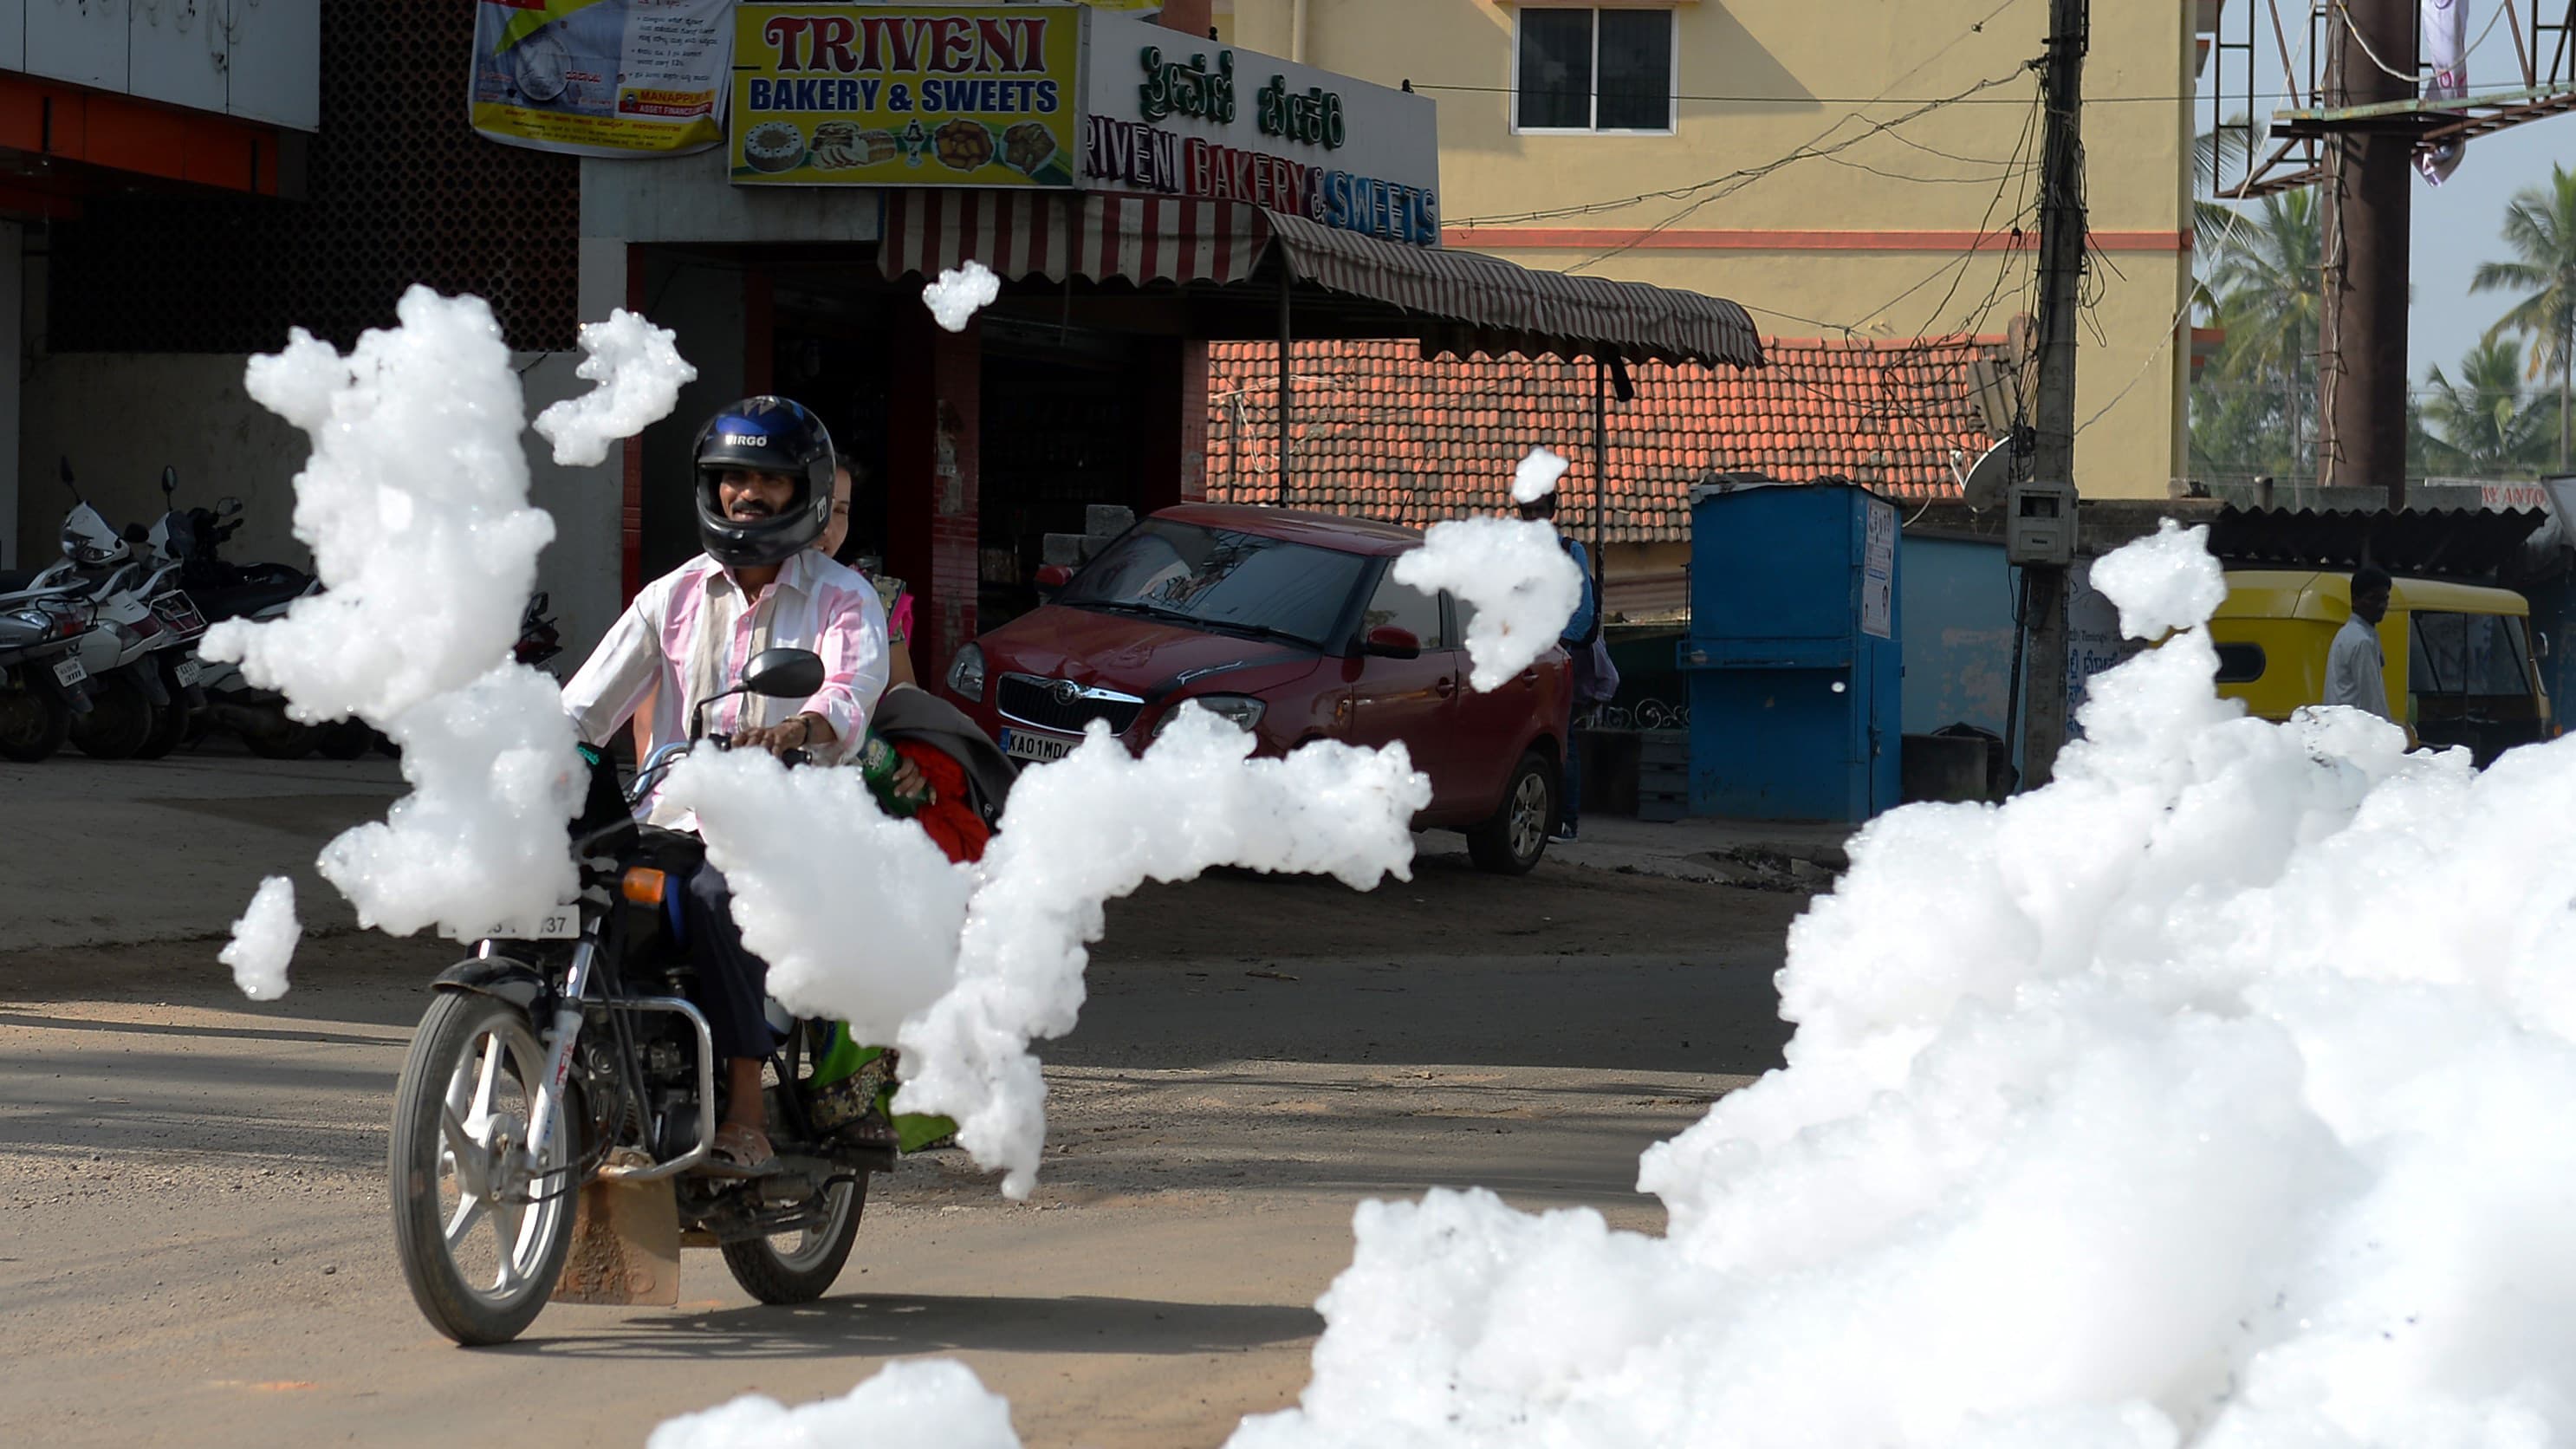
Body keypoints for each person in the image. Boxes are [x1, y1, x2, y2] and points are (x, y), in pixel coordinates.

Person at [560, 396, 891, 1175]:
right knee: (578, 887)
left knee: (721, 899)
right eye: (733, 476)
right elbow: (583, 707)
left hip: (793, 822)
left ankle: (745, 1112)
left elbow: (851, 688)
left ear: (801, 490)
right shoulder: (670, 596)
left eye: (768, 480)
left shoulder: (844, 596)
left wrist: (797, 727)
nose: (748, 493)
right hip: (674, 812)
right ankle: (594, 1081)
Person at [1517, 490, 1599, 842]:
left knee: (1562, 736)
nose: (1534, 516)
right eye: (1528, 510)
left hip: (1557, 657)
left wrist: (1560, 643)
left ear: (1551, 511)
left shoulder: (1569, 552)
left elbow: (1585, 608)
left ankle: (1565, 821)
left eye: (1539, 510)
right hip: (1521, 657)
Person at [816, 460, 918, 691]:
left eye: (840, 511)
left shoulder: (873, 598)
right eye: (817, 507)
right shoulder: (736, 583)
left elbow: (904, 703)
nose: (826, 528)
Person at [2325, 564, 2397, 725]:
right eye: (2373, 599)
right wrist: (2390, 737)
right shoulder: (2362, 641)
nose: (2381, 606)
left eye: (2385, 599)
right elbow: (2373, 700)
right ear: (2355, 600)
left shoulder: (2346, 633)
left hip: (2338, 731)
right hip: (2355, 736)